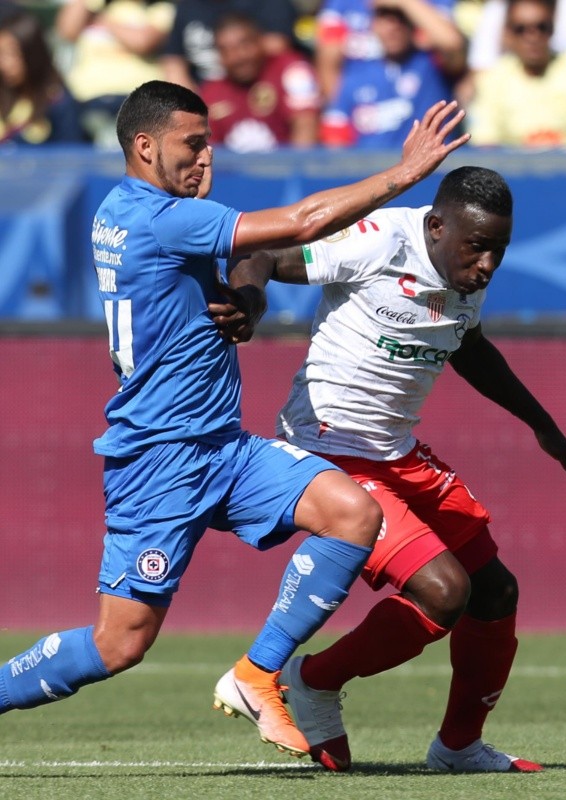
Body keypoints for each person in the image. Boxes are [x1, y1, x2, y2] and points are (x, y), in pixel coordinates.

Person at [0, 80, 469, 762]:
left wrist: (246, 298)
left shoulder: (126, 208)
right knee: (119, 643)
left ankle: (257, 673)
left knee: (352, 513)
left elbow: (240, 263)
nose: (203, 159)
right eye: (191, 145)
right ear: (144, 145)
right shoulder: (163, 219)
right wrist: (404, 174)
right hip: (158, 462)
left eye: (209, 144)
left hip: (223, 447)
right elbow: (304, 222)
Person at [214, 165, 566, 773]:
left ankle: (457, 748)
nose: (486, 265)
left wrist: (541, 424)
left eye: (498, 252)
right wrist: (250, 299)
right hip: (329, 449)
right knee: (444, 591)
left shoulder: (465, 271)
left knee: (495, 590)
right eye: (477, 247)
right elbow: (266, 251)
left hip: (397, 453)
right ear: (435, 226)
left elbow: (470, 346)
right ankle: (313, 679)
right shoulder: (380, 241)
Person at [466, 0, 566, 148]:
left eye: (542, 27)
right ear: (508, 33)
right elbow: (485, 144)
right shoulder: (492, 80)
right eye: (521, 29)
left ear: (553, 29)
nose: (532, 37)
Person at [320, 0, 466, 148]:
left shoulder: (431, 65)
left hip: (435, 167)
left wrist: (405, 3)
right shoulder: (355, 78)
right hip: (374, 168)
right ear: (372, 25)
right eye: (384, 19)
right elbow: (336, 142)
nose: (393, 27)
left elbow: (453, 44)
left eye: (400, 19)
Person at [55, 0, 176, 146]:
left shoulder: (161, 8)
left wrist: (105, 22)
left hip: (138, 100)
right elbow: (66, 30)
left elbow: (142, 42)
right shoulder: (91, 8)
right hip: (85, 100)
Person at [200, 12, 320, 152]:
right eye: (226, 50)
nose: (237, 57)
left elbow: (306, 129)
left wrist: (293, 171)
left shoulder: (292, 71)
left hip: (288, 170)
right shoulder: (211, 92)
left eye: (244, 45)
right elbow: (205, 149)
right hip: (230, 173)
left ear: (261, 41)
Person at [160, 0, 299, 92]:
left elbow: (277, 46)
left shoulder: (269, 3)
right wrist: (192, 103)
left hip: (260, 93)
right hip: (205, 99)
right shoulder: (188, 6)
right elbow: (173, 61)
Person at [0, 9, 83, 145]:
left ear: (32, 54)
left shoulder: (58, 103)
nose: (3, 64)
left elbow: (70, 157)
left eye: (11, 54)